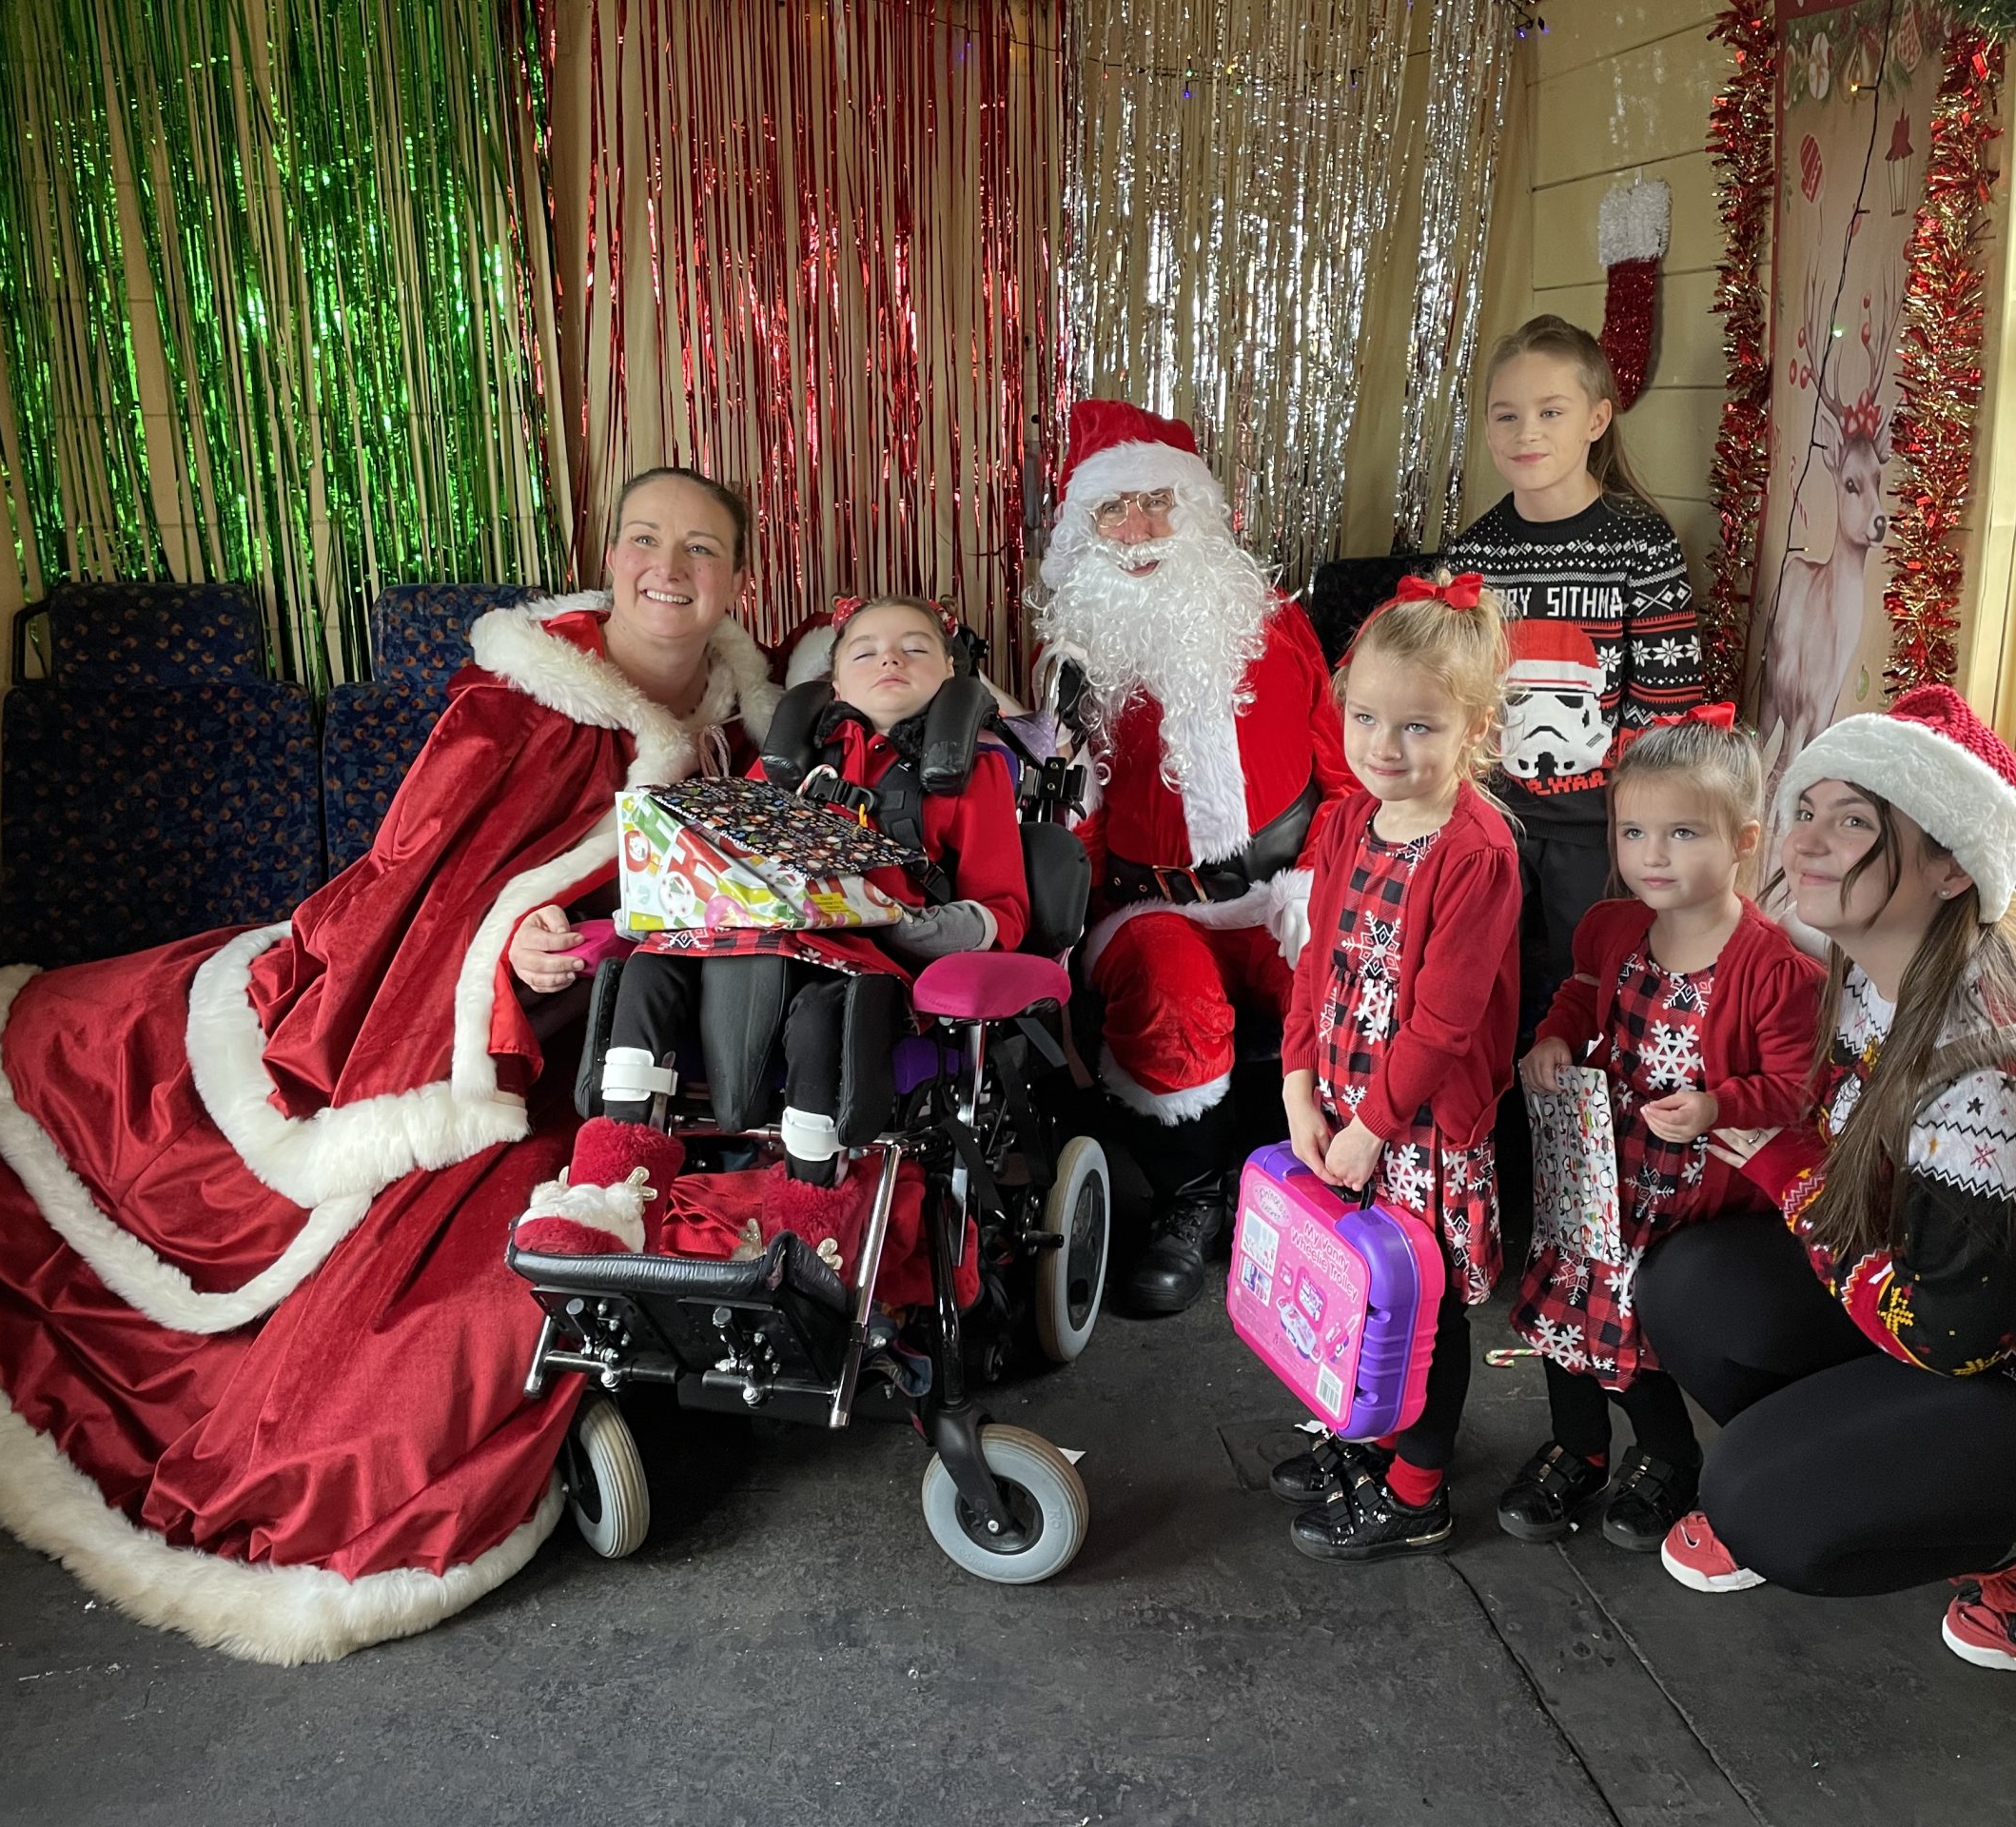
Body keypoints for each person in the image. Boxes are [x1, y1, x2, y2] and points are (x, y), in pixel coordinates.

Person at [0, 465, 778, 1662]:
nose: (667, 569)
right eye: (645, 538)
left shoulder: (745, 726)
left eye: (700, 548)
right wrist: (506, 951)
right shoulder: (518, 707)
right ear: (610, 553)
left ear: (735, 579)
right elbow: (413, 887)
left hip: (617, 1037)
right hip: (437, 1028)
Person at [1638, 686, 2016, 1673]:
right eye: (1806, 809)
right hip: (1955, 1299)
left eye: (1854, 822)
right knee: (1688, 1287)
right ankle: (1845, 1472)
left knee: (1760, 1505)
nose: (1806, 842)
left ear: (1952, 866)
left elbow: (1947, 1334)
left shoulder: (1996, 1070)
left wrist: (1788, 1176)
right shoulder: (1874, 969)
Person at [521, 595, 1028, 1251]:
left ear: (950, 671)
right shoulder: (790, 764)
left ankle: (810, 1228)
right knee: (647, 971)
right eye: (866, 651)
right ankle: (612, 1196)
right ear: (834, 680)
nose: (890, 660)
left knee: (821, 1016)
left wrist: (907, 922)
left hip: (863, 962)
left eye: (914, 648)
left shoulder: (976, 775)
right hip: (749, 940)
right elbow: (724, 865)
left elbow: (1004, 912)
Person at [1032, 400, 1355, 1316]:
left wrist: (1320, 880)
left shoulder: (1278, 624)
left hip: (1286, 885)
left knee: (1340, 990)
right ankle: (1192, 1200)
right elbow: (1075, 817)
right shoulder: (1075, 655)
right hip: (1155, 904)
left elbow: (1346, 775)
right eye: (1112, 509)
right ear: (1084, 530)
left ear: (1199, 510)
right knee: (1168, 995)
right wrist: (1065, 938)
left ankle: (1320, 1194)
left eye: (1157, 503)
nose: (1138, 531)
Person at [1497, 712, 1823, 1552]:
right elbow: (1579, 996)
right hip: (1597, 1172)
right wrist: (1555, 1037)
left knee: (1638, 1333)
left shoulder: (1775, 970)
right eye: (1633, 831)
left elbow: (1796, 1088)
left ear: (1744, 840)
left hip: (1684, 1197)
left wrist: (1718, 1105)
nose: (1652, 854)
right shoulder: (1612, 927)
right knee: (1565, 1309)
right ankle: (1577, 1447)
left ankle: (1670, 1457)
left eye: (1683, 833)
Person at [1264, 571, 1521, 1562]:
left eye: (1418, 726)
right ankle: (1367, 1438)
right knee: (1358, 1294)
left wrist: (1373, 1129)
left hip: (1418, 1133)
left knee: (1422, 1308)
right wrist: (1298, 1086)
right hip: (1342, 1110)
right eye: (1366, 717)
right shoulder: (1345, 822)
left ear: (1475, 729)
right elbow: (1313, 965)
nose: (1384, 746)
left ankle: (1417, 1491)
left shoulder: (1475, 851)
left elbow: (1445, 1024)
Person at [1442, 314, 1703, 1031]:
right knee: (1485, 996)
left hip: (1598, 831)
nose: (1526, 431)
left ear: (1596, 419)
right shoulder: (1474, 555)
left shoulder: (1640, 543)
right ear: (1488, 429)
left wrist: (1642, 831)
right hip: (1492, 822)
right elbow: (1452, 693)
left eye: (1550, 412)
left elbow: (1667, 709)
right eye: (1507, 415)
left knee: (1588, 1000)